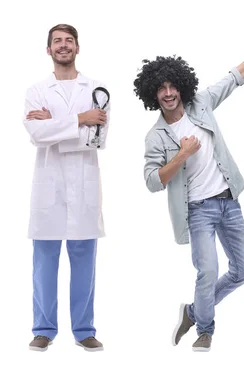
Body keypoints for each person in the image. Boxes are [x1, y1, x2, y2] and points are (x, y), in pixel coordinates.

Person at [136, 23, 244, 352]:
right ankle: (205, 329)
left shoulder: (201, 104)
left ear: (181, 86)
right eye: (160, 88)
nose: (167, 92)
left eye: (171, 85)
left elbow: (234, 77)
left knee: (243, 270)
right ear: (153, 94)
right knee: (208, 271)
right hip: (198, 211)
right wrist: (182, 155)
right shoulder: (156, 137)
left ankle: (192, 311)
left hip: (229, 202)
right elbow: (152, 182)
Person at [23, 23, 110, 352]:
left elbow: (97, 140)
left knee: (85, 262)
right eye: (57, 41)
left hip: (85, 187)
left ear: (77, 47)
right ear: (49, 49)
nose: (63, 45)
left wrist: (53, 124)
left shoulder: (97, 88)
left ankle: (84, 329)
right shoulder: (36, 90)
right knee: (44, 263)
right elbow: (36, 135)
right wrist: (79, 119)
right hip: (49, 189)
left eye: (68, 41)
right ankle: (43, 329)